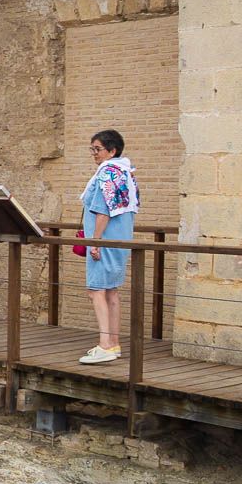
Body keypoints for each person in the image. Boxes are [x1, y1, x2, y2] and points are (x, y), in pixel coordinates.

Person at [78, 129, 140, 365]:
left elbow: (102, 210)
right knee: (111, 291)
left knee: (96, 290)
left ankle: (105, 345)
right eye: (92, 149)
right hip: (120, 240)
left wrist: (95, 241)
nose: (94, 153)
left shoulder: (107, 173)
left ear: (112, 151)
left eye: (98, 149)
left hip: (104, 241)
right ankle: (113, 343)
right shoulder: (125, 172)